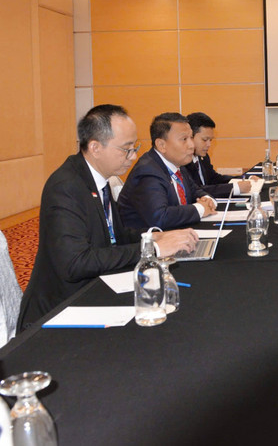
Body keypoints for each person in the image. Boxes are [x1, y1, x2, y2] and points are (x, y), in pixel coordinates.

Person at [17, 105, 198, 331]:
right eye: (126, 149)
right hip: (60, 311)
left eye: (135, 147)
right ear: (95, 147)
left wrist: (157, 236)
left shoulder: (99, 179)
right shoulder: (66, 187)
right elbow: (75, 263)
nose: (133, 156)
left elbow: (116, 236)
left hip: (95, 290)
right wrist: (154, 249)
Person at [119, 112, 218, 230]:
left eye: (191, 137)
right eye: (184, 139)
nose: (191, 145)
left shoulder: (177, 164)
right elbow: (160, 217)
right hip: (145, 245)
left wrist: (208, 201)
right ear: (161, 145)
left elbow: (195, 190)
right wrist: (201, 208)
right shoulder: (148, 172)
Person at [183, 112, 253, 198]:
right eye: (205, 140)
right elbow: (196, 190)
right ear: (190, 136)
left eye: (210, 140)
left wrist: (244, 178)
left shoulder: (203, 157)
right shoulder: (183, 162)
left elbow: (214, 179)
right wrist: (234, 188)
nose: (209, 144)